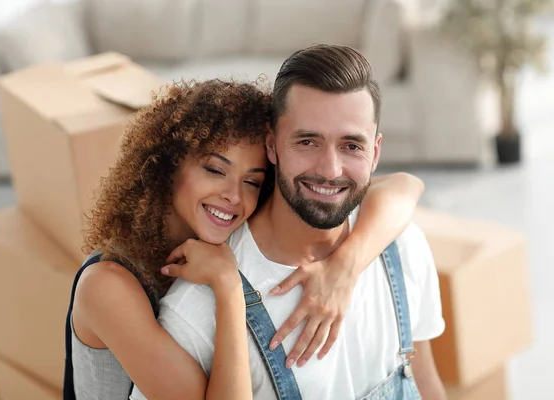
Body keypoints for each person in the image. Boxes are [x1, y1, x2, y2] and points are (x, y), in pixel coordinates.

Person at [64, 77, 426, 399]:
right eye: (215, 170)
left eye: (251, 181)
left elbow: (403, 186)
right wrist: (229, 286)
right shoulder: (108, 285)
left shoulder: (223, 231)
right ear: (168, 165)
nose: (233, 196)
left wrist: (345, 266)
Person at [158, 45, 448, 400]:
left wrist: (347, 264)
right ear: (272, 144)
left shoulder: (402, 248)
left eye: (351, 146)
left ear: (375, 153)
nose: (330, 170)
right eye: (307, 141)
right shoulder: (197, 310)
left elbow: (425, 381)